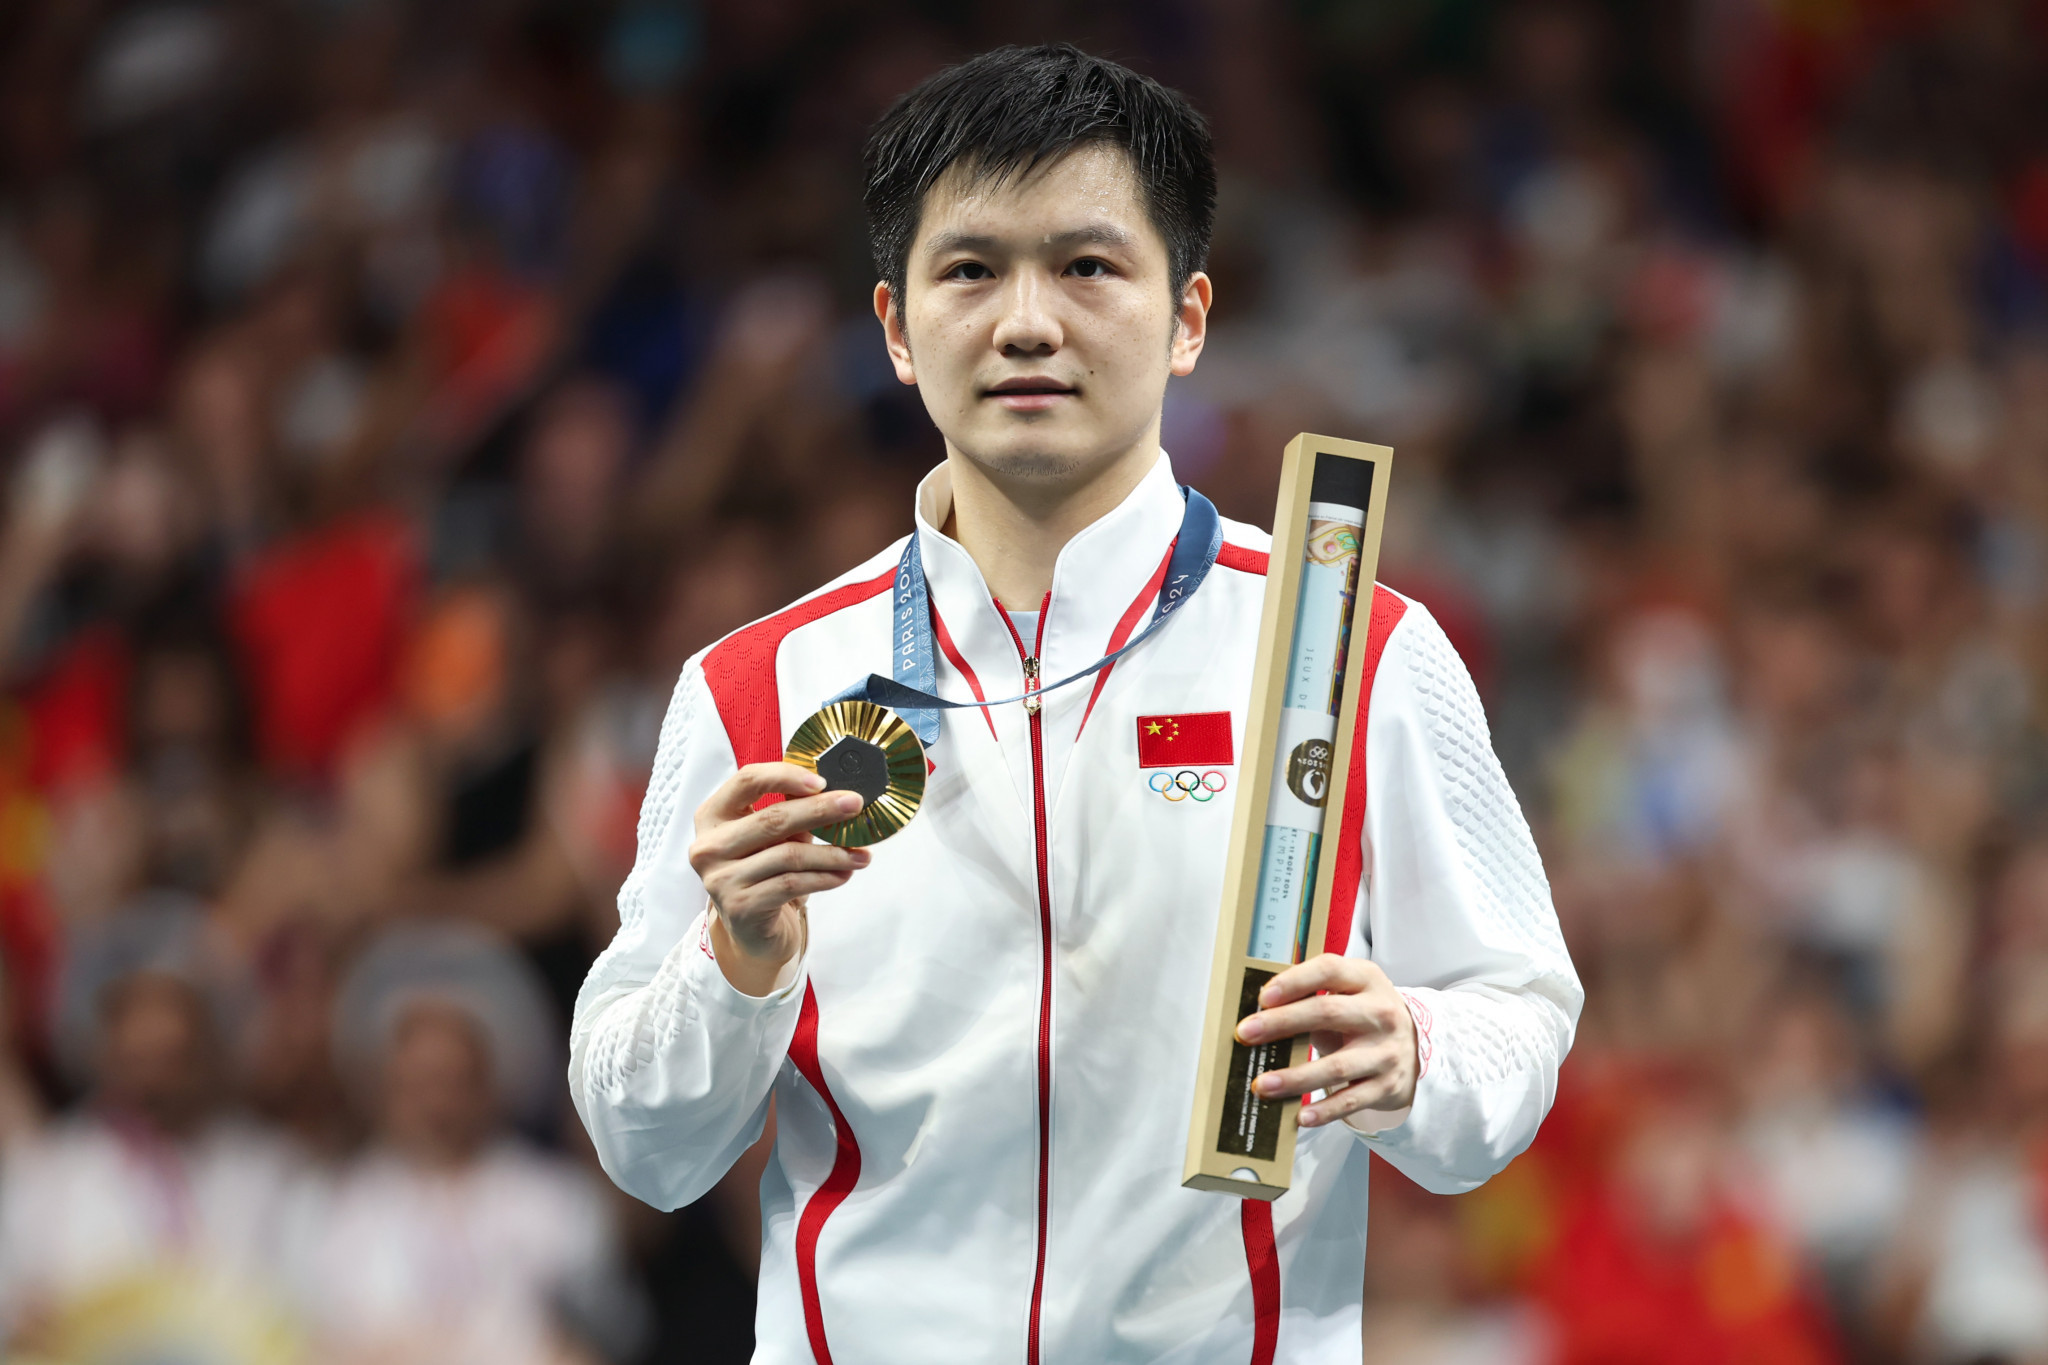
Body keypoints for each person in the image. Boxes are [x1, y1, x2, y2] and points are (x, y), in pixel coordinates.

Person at [570, 44, 1580, 1362]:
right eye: (972, 269)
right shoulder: (760, 688)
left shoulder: (1350, 648)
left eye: (1089, 267)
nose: (1028, 322)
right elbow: (645, 1146)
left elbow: (1517, 1009)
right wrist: (737, 955)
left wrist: (1417, 1051)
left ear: (1190, 317)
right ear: (893, 326)